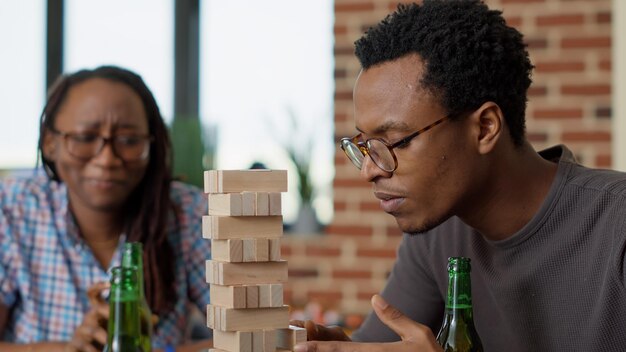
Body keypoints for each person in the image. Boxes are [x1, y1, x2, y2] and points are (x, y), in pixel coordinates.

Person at [293, 1, 626, 351]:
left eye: (393, 142)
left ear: (484, 128)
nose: (369, 169)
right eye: (364, 145)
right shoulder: (437, 233)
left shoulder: (616, 226)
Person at [0, 66, 213, 352]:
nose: (107, 158)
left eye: (128, 140)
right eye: (86, 138)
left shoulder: (188, 212)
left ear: (153, 145)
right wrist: (65, 350)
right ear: (50, 143)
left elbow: (249, 337)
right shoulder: (12, 208)